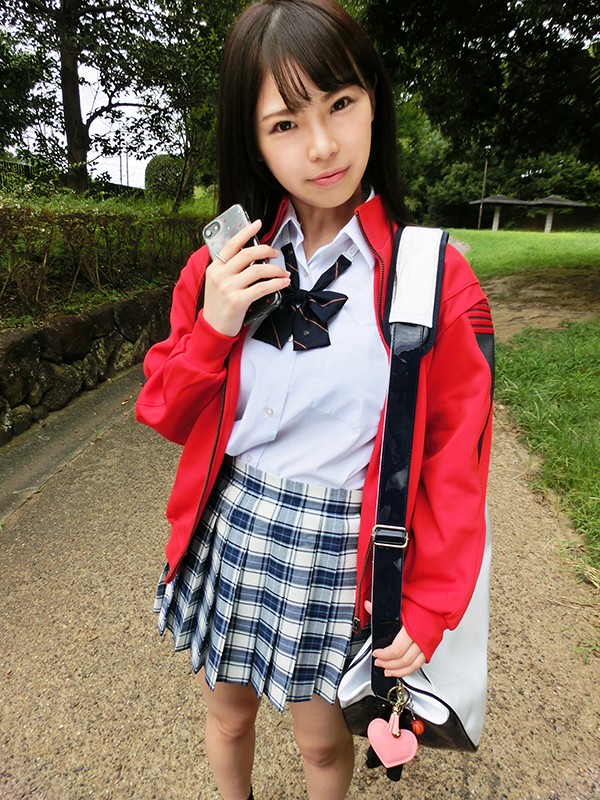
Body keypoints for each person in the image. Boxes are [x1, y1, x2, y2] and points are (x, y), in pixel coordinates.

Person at [135, 1, 494, 798]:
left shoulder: (432, 278)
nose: (323, 145)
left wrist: (429, 603)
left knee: (323, 745)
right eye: (285, 123)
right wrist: (214, 326)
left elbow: (455, 460)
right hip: (233, 524)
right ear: (254, 139)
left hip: (340, 549)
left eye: (340, 103)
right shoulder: (223, 265)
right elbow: (162, 410)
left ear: (374, 103)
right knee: (228, 715)